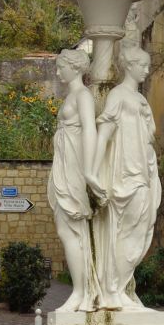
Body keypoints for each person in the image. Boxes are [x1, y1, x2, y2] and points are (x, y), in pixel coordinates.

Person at [86, 42, 161, 309]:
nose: (146, 70)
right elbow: (104, 133)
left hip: (142, 173)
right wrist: (92, 171)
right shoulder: (118, 95)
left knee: (140, 231)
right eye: (142, 65)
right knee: (124, 233)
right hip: (125, 175)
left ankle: (121, 288)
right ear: (130, 66)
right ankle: (112, 289)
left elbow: (149, 141)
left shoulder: (141, 99)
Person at [48, 49, 101, 311]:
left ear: (75, 67)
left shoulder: (83, 96)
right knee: (65, 230)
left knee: (72, 230)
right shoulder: (73, 95)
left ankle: (82, 292)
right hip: (64, 164)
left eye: (61, 67)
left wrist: (90, 172)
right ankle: (80, 291)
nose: (58, 72)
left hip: (75, 167)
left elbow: (90, 131)